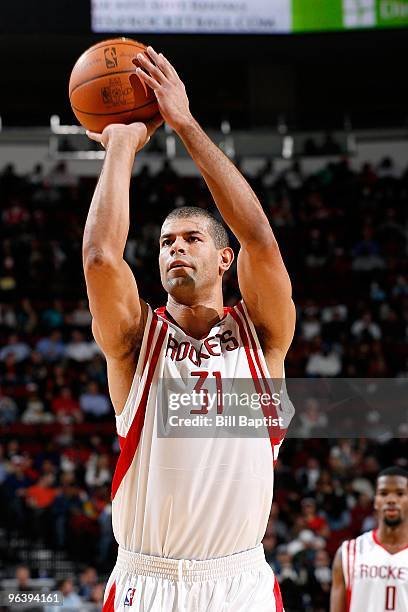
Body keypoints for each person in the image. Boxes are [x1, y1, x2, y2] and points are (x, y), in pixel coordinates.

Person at [84, 46, 296, 611]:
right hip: (145, 583)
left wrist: (183, 122)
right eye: (164, 243)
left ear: (225, 260)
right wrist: (121, 148)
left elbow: (259, 239)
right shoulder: (135, 342)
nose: (175, 247)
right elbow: (102, 259)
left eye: (191, 239)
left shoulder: (264, 337)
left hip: (239, 584)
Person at [330, 467, 408, 612]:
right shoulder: (348, 553)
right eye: (383, 493)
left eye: (400, 493)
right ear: (375, 501)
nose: (391, 500)